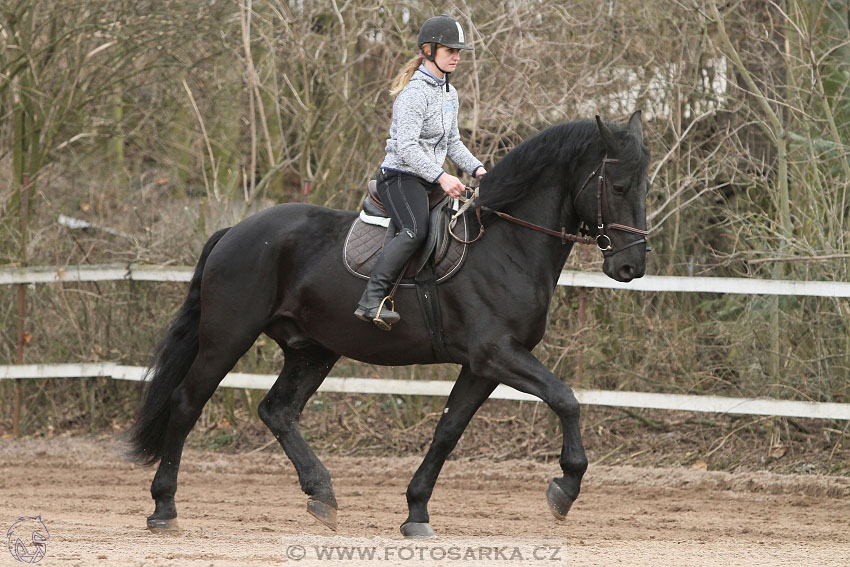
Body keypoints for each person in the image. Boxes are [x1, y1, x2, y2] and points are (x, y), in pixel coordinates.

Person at [354, 14, 487, 327]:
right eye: (449, 51)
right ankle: (371, 300)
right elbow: (407, 149)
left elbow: (453, 143)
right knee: (416, 230)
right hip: (400, 176)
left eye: (458, 52)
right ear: (429, 51)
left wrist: (480, 170)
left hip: (426, 179)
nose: (456, 56)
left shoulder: (449, 94)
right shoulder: (414, 94)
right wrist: (442, 176)